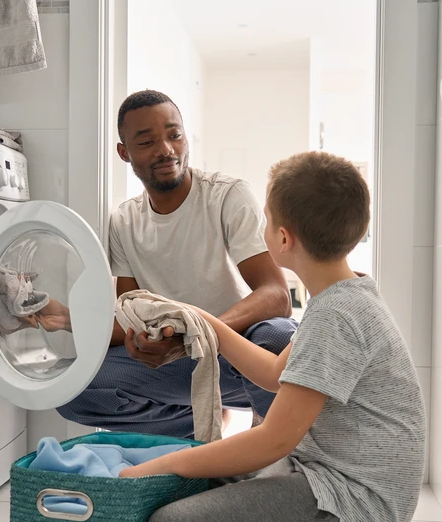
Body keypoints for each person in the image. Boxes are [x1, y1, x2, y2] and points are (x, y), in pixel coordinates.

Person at [118, 151, 426, 522]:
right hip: (335, 478)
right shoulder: (341, 294)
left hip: (353, 498)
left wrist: (168, 462)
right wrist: (205, 322)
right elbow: (274, 375)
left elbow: (273, 440)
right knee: (193, 482)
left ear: (283, 239)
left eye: (264, 219)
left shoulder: (337, 316)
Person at [55, 90, 296, 437]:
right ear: (124, 152)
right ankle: (199, 430)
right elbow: (130, 317)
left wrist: (196, 333)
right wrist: (65, 319)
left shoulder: (226, 195)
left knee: (279, 339)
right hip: (178, 359)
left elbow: (277, 296)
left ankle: (277, 447)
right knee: (71, 386)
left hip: (235, 352)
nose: (166, 149)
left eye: (174, 134)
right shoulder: (123, 222)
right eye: (147, 140)